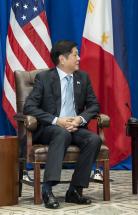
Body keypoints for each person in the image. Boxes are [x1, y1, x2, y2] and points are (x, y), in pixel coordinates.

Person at [23, 40, 102, 209]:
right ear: (62, 59)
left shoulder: (83, 77)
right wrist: (56, 120)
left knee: (93, 139)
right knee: (61, 132)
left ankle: (74, 190)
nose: (79, 58)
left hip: (75, 127)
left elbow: (94, 105)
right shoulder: (44, 78)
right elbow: (29, 107)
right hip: (49, 128)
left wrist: (79, 119)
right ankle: (47, 189)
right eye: (75, 54)